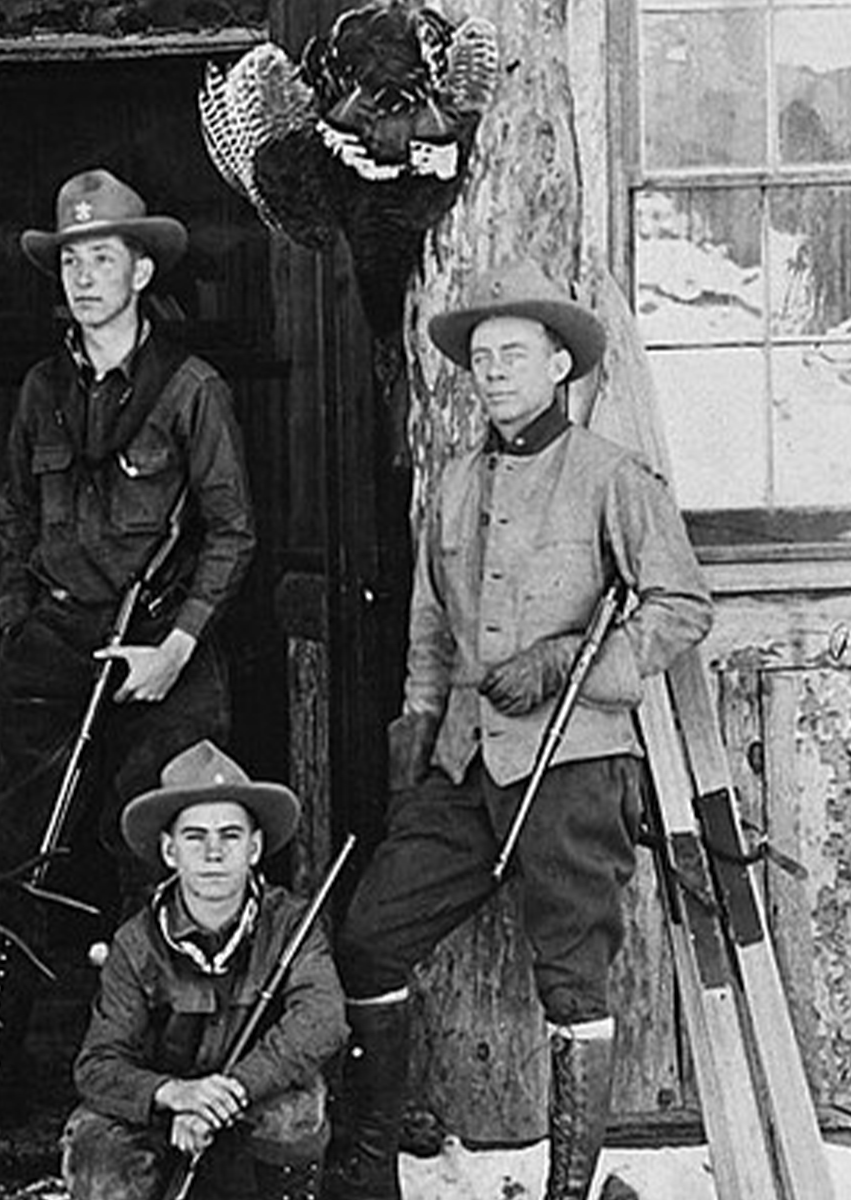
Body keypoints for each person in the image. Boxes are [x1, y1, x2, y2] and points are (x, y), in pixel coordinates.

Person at [324, 261, 712, 1200]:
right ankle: (371, 1168)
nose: (495, 372)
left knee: (572, 985)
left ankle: (567, 1192)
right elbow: (427, 623)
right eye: (482, 357)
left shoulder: (611, 477)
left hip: (576, 762)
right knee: (371, 936)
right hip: (464, 762)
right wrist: (418, 725)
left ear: (558, 366)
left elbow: (681, 604)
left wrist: (576, 660)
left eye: (515, 354)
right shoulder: (453, 483)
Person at [0, 168, 258, 1142]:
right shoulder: (42, 389)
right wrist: (17, 617)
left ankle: (157, 1087)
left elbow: (232, 530)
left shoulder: (190, 389)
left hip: (160, 653)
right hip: (50, 648)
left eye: (102, 257)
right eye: (71, 259)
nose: (84, 276)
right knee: (14, 866)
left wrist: (177, 645)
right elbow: (10, 512)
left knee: (151, 868)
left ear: (142, 265)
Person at [64, 741, 344, 1200]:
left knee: (296, 1114)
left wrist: (228, 1091)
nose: (214, 853)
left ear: (254, 848)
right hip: (163, 1114)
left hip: (253, 1098)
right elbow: (97, 1066)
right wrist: (175, 1094)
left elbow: (322, 1022)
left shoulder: (293, 924)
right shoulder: (135, 943)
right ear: (170, 851)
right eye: (195, 837)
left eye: (230, 836)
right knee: (94, 1154)